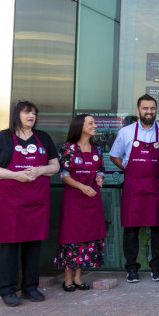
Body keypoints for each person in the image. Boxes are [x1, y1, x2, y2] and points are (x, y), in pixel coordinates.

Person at [0, 101, 59, 306]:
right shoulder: (2, 137)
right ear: (17, 115)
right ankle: (7, 290)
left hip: (36, 201)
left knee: (33, 245)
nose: (31, 116)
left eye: (34, 113)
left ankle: (30, 288)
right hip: (10, 202)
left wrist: (40, 170)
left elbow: (55, 166)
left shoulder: (43, 137)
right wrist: (15, 175)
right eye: (27, 113)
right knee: (9, 246)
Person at [109, 94, 159, 283]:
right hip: (133, 188)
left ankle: (156, 266)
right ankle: (132, 268)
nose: (149, 112)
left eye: (152, 108)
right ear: (138, 110)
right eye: (145, 108)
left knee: (157, 229)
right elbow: (114, 156)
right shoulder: (126, 132)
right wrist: (129, 169)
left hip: (158, 187)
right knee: (131, 230)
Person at [54, 114, 107, 292]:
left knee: (87, 237)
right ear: (80, 126)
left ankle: (78, 278)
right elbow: (63, 175)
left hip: (92, 199)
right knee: (71, 237)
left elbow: (100, 169)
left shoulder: (97, 149)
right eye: (90, 123)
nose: (95, 125)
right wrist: (82, 187)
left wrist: (99, 177)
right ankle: (67, 280)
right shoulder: (67, 149)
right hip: (74, 201)